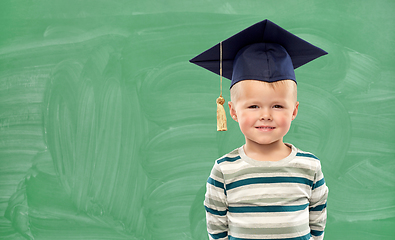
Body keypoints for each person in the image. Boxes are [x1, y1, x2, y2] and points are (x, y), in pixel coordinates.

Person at [190, 20, 329, 240]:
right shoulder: (224, 170)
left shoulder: (310, 166)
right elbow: (217, 225)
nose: (266, 114)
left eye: (278, 105)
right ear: (233, 112)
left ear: (294, 111)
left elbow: (317, 217)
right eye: (253, 106)